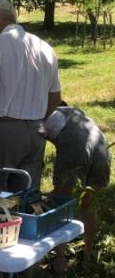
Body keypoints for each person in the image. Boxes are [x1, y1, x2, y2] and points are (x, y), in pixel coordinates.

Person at [0, 0, 61, 193]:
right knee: (24, 196)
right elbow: (55, 98)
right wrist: (37, 118)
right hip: (36, 133)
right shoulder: (45, 48)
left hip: (3, 132)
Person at [45, 103, 112, 271]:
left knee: (61, 205)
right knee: (88, 205)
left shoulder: (51, 114)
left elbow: (34, 148)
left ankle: (59, 261)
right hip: (101, 147)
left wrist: (54, 193)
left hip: (76, 148)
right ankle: (88, 256)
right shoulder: (78, 115)